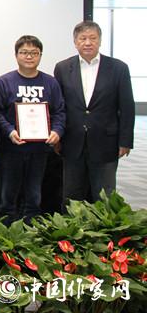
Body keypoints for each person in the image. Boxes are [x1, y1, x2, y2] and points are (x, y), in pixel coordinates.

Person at [54, 20, 135, 204]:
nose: (88, 43)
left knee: (104, 196)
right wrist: (57, 137)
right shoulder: (63, 68)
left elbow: (127, 107)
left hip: (106, 142)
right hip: (72, 141)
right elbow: (59, 106)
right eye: (83, 38)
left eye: (93, 38)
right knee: (71, 196)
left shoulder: (118, 68)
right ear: (75, 42)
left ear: (100, 40)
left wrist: (125, 141)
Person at [0, 35, 65, 225]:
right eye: (24, 52)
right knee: (8, 196)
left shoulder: (50, 82)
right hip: (11, 149)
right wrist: (10, 131)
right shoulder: (5, 81)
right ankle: (6, 233)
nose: (29, 56)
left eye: (34, 53)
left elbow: (59, 111)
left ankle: (31, 233)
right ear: (16, 55)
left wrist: (57, 131)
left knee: (34, 196)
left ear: (40, 55)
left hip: (40, 150)